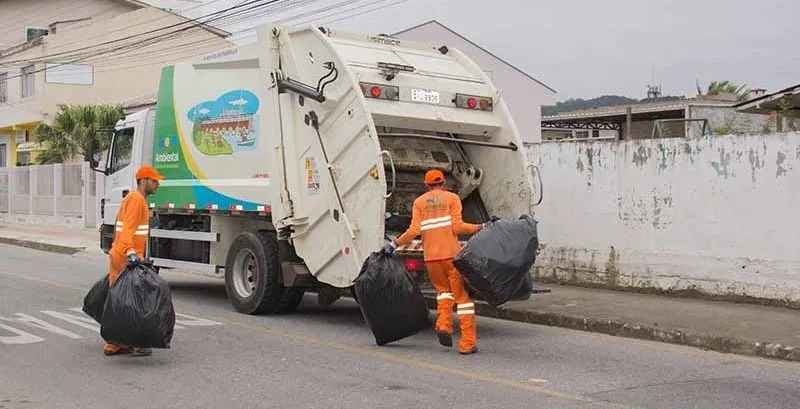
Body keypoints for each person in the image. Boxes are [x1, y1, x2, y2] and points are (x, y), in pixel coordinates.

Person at [384, 169, 489, 355]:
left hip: (431, 258)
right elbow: (458, 227)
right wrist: (481, 227)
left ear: (426, 184)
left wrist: (394, 244)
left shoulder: (419, 202)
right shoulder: (452, 199)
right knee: (463, 299)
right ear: (444, 183)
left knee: (443, 293)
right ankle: (467, 344)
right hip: (452, 257)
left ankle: (443, 325)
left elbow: (414, 230)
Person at [103, 165, 164, 356]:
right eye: (154, 180)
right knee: (130, 302)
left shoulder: (134, 199)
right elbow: (127, 229)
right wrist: (130, 252)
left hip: (122, 255)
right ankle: (125, 343)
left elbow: (120, 228)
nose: (157, 184)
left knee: (125, 301)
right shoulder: (137, 200)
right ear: (144, 180)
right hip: (126, 258)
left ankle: (120, 342)